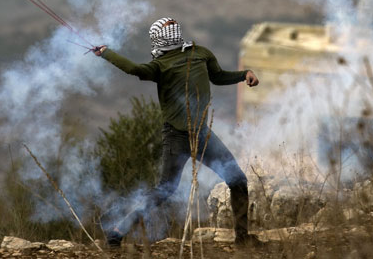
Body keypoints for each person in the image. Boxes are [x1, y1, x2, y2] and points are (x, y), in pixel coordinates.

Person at [93, 17, 261, 247]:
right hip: (177, 137)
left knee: (237, 181)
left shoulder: (197, 54)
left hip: (201, 134)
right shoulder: (164, 64)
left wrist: (244, 74)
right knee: (165, 190)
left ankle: (243, 240)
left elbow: (218, 76)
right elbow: (134, 69)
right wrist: (107, 53)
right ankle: (117, 231)